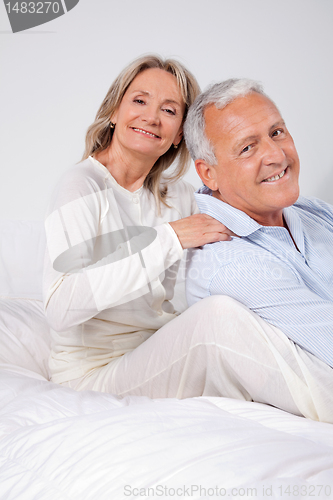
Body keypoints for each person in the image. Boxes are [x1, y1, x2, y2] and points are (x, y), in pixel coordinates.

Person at [43, 55, 232, 396]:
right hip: (92, 374)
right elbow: (60, 308)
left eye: (169, 110)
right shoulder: (82, 185)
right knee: (216, 318)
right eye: (140, 101)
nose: (151, 117)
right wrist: (168, 239)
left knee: (234, 321)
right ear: (115, 112)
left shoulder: (179, 196)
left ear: (178, 136)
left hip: (157, 355)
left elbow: (234, 234)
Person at [184, 78, 333, 423]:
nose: (277, 155)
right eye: (247, 148)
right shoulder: (223, 258)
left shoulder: (312, 212)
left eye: (277, 132)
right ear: (209, 174)